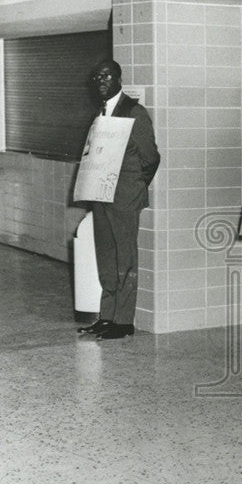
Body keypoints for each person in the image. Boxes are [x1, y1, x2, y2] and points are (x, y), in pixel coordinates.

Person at [77, 60, 160, 340]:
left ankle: (124, 322)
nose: (101, 81)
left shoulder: (134, 112)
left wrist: (134, 187)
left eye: (107, 76)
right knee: (106, 257)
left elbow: (151, 158)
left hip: (124, 197)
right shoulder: (99, 114)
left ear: (118, 79)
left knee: (125, 259)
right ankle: (107, 316)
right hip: (101, 195)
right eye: (97, 76)